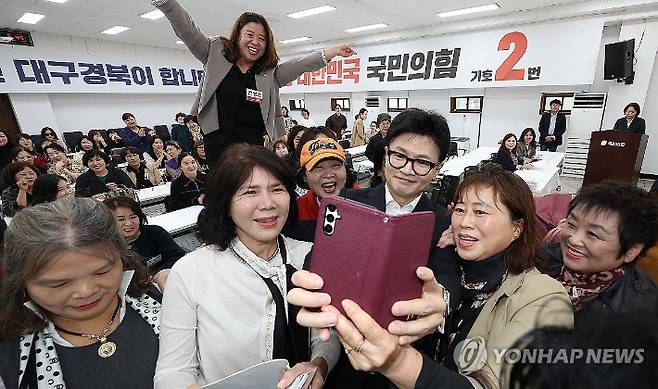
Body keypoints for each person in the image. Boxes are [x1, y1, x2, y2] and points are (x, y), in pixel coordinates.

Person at [288, 163, 573, 389]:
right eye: (459, 210)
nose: (465, 222)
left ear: (517, 227)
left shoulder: (543, 297)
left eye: (480, 212)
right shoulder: (440, 268)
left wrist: (397, 363)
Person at [289, 108, 463, 388]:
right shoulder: (348, 201)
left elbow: (447, 275)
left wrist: (439, 303)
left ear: (437, 169)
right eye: (399, 156)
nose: (407, 169)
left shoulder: (444, 220)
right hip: (344, 358)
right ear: (385, 154)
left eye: (422, 162)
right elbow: (318, 261)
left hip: (406, 363)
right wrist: (312, 282)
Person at [154, 144, 340, 388]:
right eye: (250, 192)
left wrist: (318, 364)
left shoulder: (310, 256)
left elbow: (325, 334)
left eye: (277, 189)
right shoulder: (191, 272)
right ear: (226, 202)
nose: (267, 203)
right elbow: (172, 372)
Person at [154, 0, 355, 165]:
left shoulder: (269, 73)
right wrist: (167, 3)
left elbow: (299, 64)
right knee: (224, 193)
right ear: (238, 36)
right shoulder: (214, 53)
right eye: (249, 35)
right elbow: (187, 30)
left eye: (262, 38)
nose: (255, 42)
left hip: (254, 146)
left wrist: (333, 52)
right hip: (216, 141)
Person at [0, 198, 162, 389]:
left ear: (121, 258)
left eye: (102, 272)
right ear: (21, 282)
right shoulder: (11, 356)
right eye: (59, 284)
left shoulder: (158, 300)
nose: (85, 292)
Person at [542, 181, 658, 320]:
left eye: (592, 234)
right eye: (571, 224)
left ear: (631, 250)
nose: (574, 240)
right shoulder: (540, 258)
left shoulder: (638, 312)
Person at [104, 196, 186, 285]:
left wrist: (163, 271)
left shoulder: (155, 233)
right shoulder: (105, 246)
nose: (128, 223)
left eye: (133, 217)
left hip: (165, 281)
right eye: (121, 219)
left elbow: (177, 254)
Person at [290, 138, 348, 242]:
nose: (329, 174)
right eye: (318, 167)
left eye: (335, 166)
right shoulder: (295, 212)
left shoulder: (368, 204)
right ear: (304, 177)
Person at [365, 113, 392, 188]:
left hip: (391, 169)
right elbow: (368, 153)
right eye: (383, 124)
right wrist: (376, 160)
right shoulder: (374, 139)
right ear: (378, 126)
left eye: (388, 123)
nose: (386, 126)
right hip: (378, 170)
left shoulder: (393, 138)